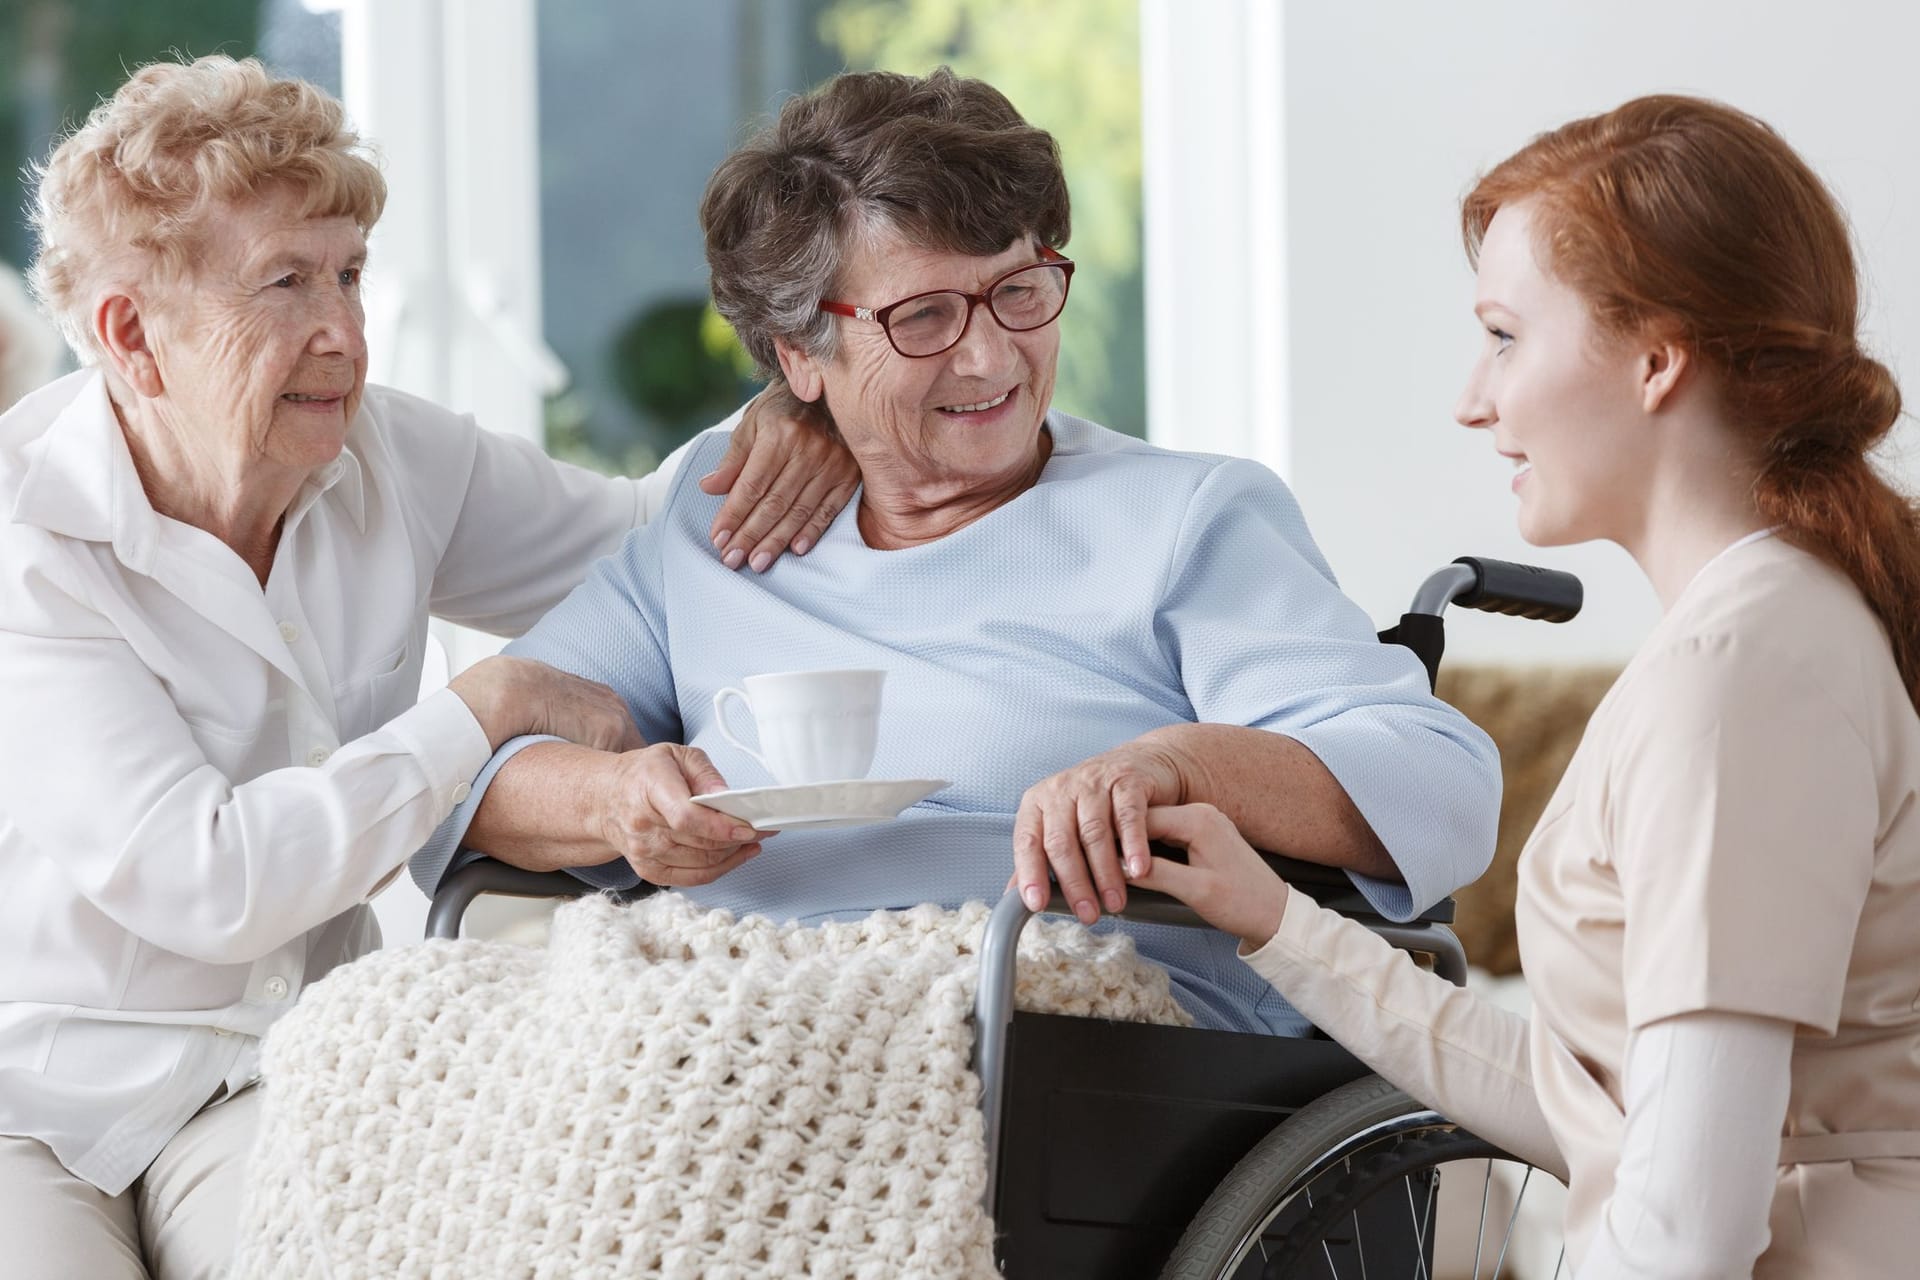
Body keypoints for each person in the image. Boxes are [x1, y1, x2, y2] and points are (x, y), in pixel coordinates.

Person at [410, 68, 1502, 1038]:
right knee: (396, 1040)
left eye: (1019, 291)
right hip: (731, 1009)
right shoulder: (726, 514)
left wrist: (1173, 764)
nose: (990, 355)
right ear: (800, 355)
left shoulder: (1183, 517)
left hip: (1060, 1033)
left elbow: (1441, 783)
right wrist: (612, 802)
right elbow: (463, 781)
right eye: (924, 316)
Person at [0, 56, 858, 1279]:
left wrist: (791, 410)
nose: (343, 333)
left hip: (274, 1069)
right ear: (132, 333)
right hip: (33, 1100)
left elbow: (642, 542)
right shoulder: (21, 535)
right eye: (285, 283)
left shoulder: (390, 455)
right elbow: (207, 876)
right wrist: (485, 705)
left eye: (349, 274)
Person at [1137, 95, 1920, 1277]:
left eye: (1505, 335)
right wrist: (1281, 924)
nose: (1474, 396)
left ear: (1657, 359)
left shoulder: (1746, 673)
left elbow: (1689, 1227)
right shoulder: (1756, 636)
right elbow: (1595, 1103)